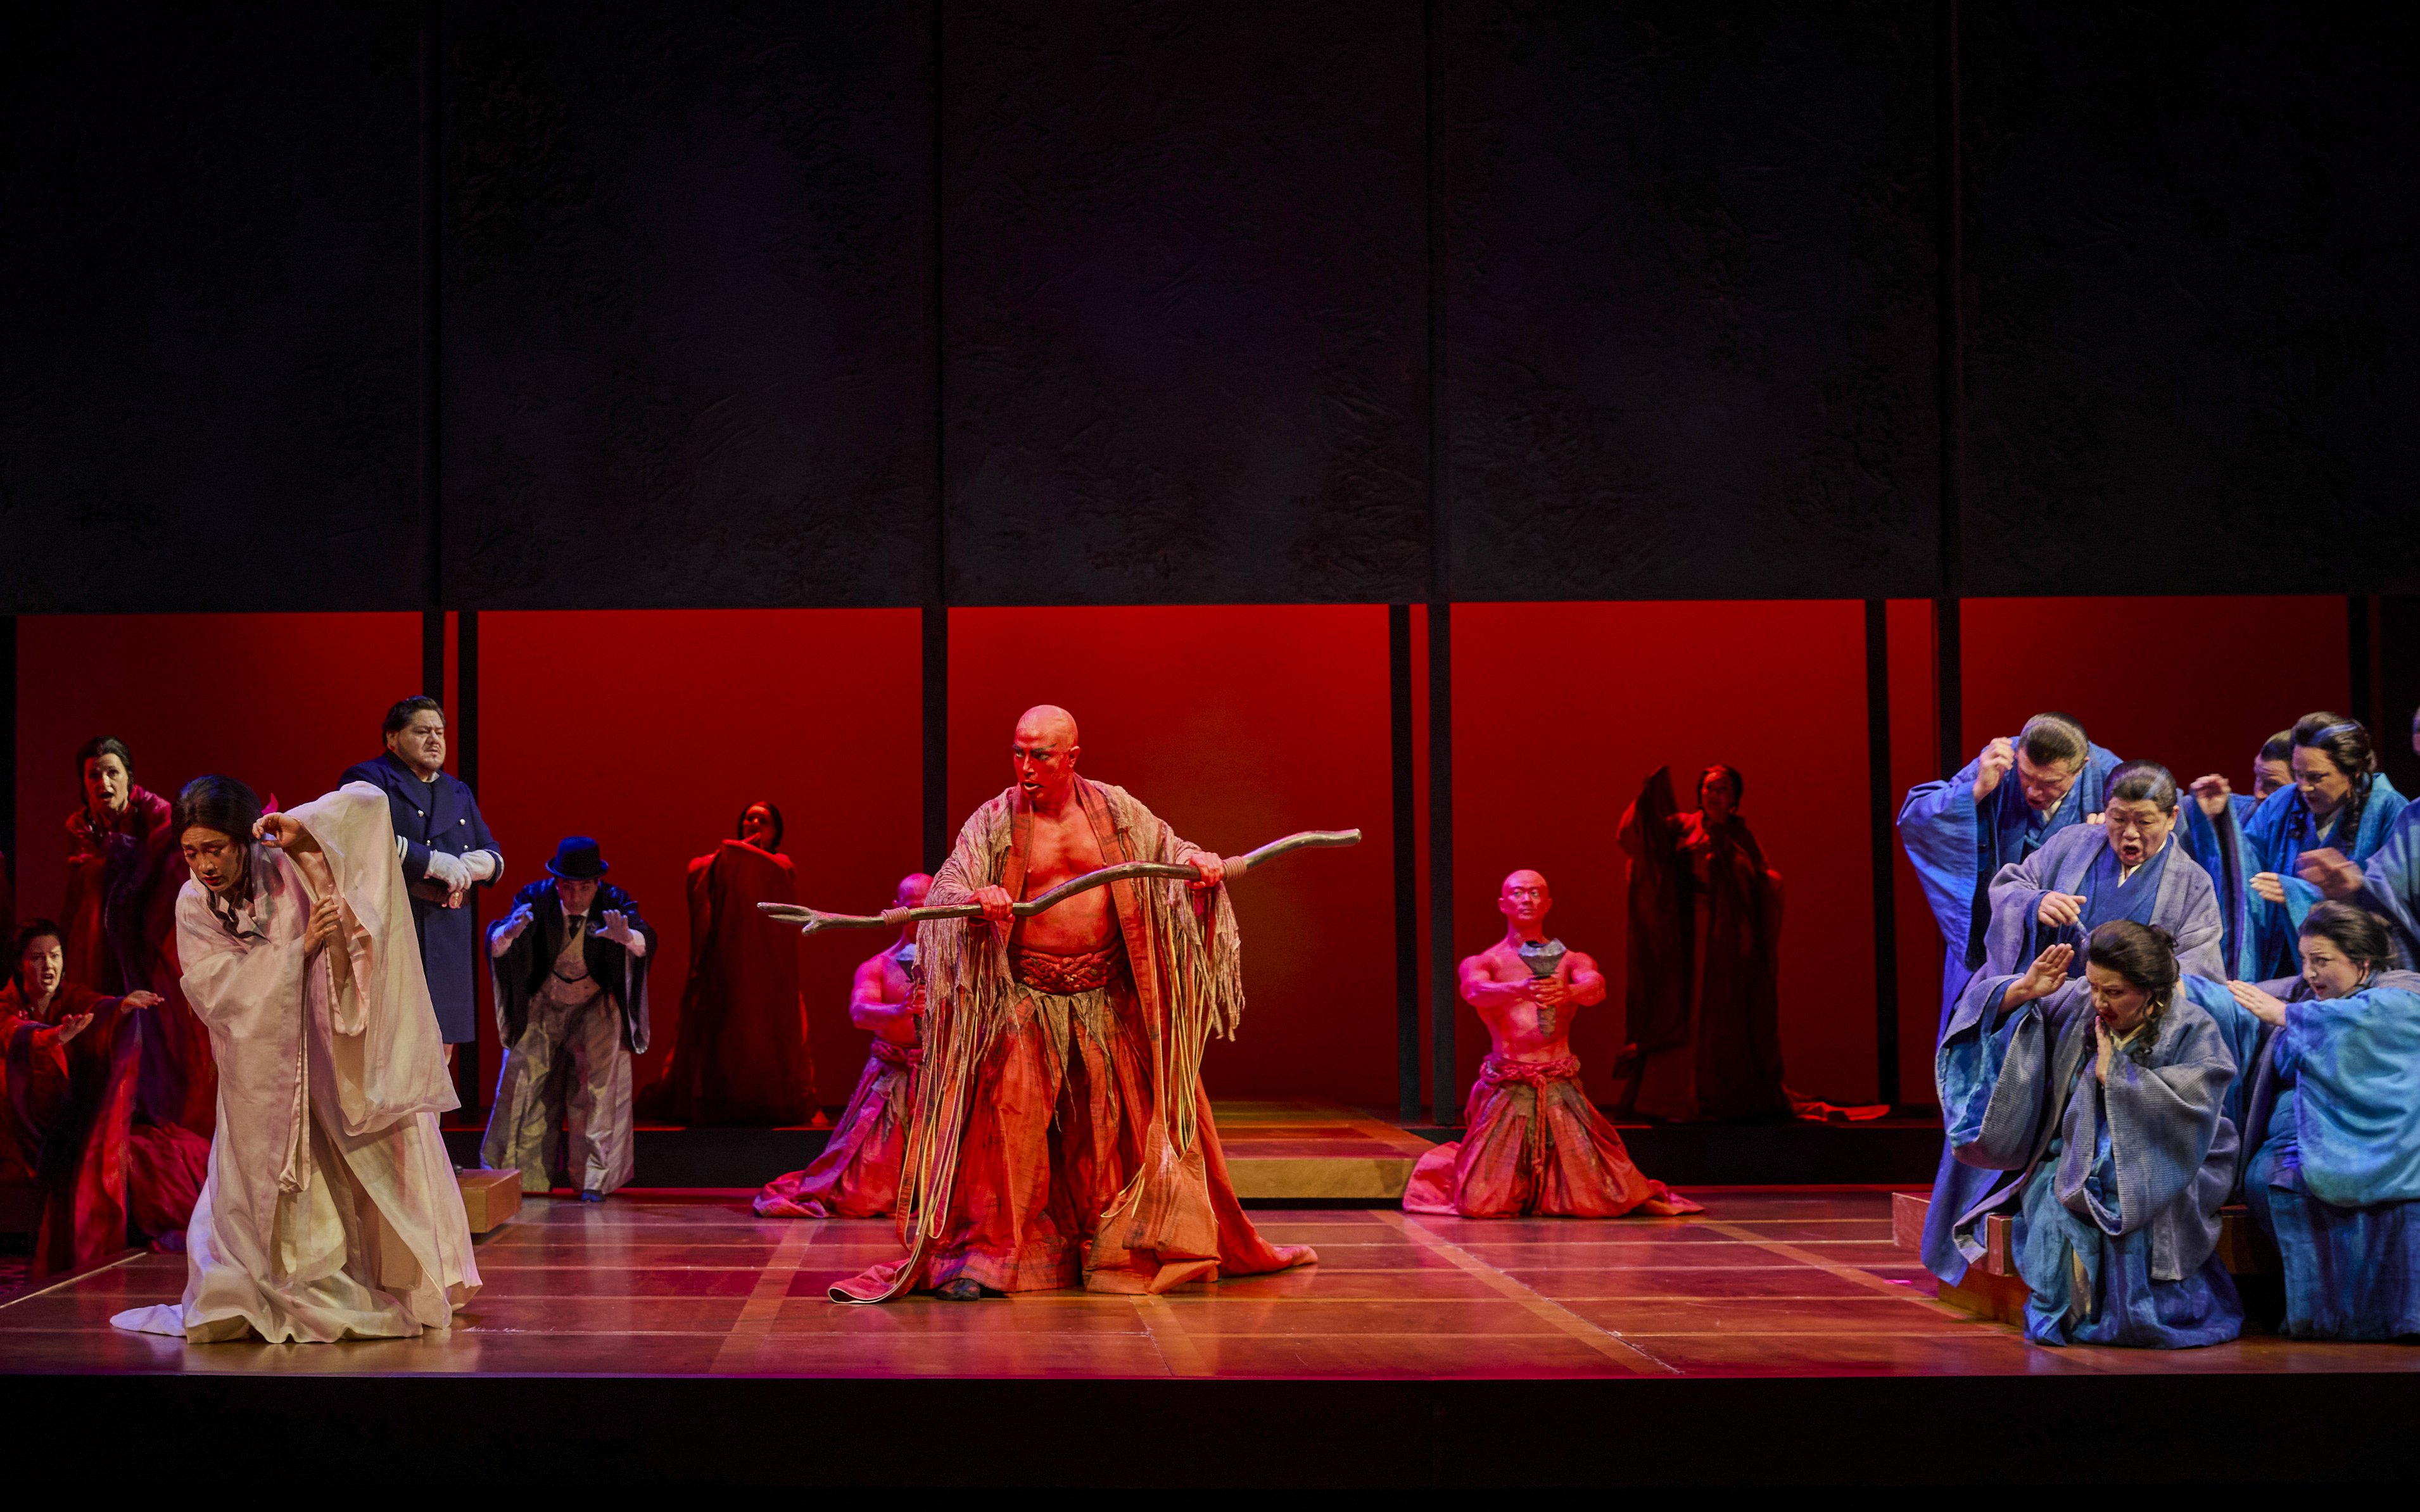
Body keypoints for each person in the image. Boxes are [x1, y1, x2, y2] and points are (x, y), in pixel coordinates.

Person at [830, 705, 1315, 1302]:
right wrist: (978, 897)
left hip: (1106, 997)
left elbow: (1173, 847)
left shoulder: (1116, 810)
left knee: (1120, 1129)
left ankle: (1120, 1247)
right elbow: (951, 883)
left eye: (1041, 755)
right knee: (1007, 1127)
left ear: (1071, 758)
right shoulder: (993, 821)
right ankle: (988, 1257)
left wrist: (1199, 864)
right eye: (1018, 752)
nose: (1026, 766)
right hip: (1026, 1000)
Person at [111, 777, 478, 1342]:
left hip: (329, 1046)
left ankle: (384, 1277)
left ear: (244, 839)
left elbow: (369, 805)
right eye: (191, 852)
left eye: (215, 849)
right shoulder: (193, 903)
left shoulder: (286, 865)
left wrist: (301, 827)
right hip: (259, 1065)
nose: (204, 865)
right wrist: (296, 950)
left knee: (376, 1151)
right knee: (270, 1175)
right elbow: (213, 990)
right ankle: (290, 1282)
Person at [1937, 923, 2243, 1348]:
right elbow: (1982, 1010)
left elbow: (2195, 1108)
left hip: (2171, 1157)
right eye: (2095, 986)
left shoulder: (2192, 1027)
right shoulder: (2083, 1002)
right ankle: (2076, 1311)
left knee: (2124, 1192)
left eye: (2113, 992)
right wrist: (2025, 989)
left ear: (2151, 990)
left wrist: (2116, 1077)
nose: (2098, 1001)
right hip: (2074, 1152)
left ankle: (2136, 1317)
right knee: (2060, 1202)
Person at [1403, 870, 1699, 1218]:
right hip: (1509, 1088)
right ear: (1503, 904)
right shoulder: (1486, 962)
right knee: (1482, 1204)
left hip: (1559, 1087)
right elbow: (1473, 990)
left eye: (1534, 893)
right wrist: (1518, 990)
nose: (1526, 900)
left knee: (1595, 1202)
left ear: (1548, 903)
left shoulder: (1572, 960)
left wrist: (1570, 991)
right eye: (1517, 893)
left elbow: (1596, 986)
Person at [2225, 903, 2420, 1339]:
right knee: (2273, 1180)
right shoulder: (2302, 992)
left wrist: (2286, 1017)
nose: (2309, 973)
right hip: (2294, 1135)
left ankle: (2386, 1318)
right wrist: (2181, 987)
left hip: (2372, 1133)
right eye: (2305, 960)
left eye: (2321, 961)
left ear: (2362, 964)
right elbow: (2235, 994)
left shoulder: (2398, 990)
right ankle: (2322, 1315)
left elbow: (2381, 1015)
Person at [0, 919, 199, 1275]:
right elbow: (16, 1036)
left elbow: (97, 1007)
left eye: (55, 956)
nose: (48, 967)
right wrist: (53, 1039)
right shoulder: (7, 1006)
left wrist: (122, 1006)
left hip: (68, 1112)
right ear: (20, 964)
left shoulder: (70, 996)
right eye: (37, 958)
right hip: (23, 1118)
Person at [1899, 713, 2122, 1028]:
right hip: (1996, 939)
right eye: (2027, 777)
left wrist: (2114, 834)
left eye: (2049, 784)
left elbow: (2162, 827)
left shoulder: (2107, 774)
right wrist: (1975, 790)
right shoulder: (2002, 761)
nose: (2032, 792)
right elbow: (1917, 817)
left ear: (2082, 766)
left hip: (2071, 951)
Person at [481, 837, 655, 1200]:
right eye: (568, 887)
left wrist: (629, 939)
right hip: (545, 999)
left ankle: (594, 1179)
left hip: (595, 1001)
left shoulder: (614, 902)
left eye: (584, 888)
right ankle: (518, 1177)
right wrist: (507, 937)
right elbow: (498, 937)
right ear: (557, 882)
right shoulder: (537, 898)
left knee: (597, 1090)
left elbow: (646, 937)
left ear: (597, 885)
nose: (574, 897)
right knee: (524, 1083)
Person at [1616, 764, 1789, 1121]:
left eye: (1723, 789)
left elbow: (1760, 883)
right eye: (1709, 788)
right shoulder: (1681, 826)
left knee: (1719, 1010)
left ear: (1735, 799)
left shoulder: (1742, 837)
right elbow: (1639, 842)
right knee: (1678, 1004)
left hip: (1724, 939)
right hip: (1683, 933)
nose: (1715, 795)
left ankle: (1715, 1095)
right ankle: (1667, 1098)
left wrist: (1757, 877)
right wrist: (1646, 801)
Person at [60, 736, 213, 1137]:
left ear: (129, 777)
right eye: (94, 775)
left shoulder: (160, 816)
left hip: (152, 945)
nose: (103, 782)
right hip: (104, 951)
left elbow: (173, 877)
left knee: (161, 1049)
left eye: (113, 772)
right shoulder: (83, 828)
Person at [756, 873, 930, 1220]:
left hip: (940, 1077)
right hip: (891, 1077)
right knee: (862, 1194)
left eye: (930, 908)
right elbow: (860, 1013)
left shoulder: (957, 963)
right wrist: (899, 1010)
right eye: (914, 908)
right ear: (897, 910)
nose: (922, 915)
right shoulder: (878, 966)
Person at [341, 696, 503, 1059]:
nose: (435, 740)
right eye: (422, 731)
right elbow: (357, 836)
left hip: (448, 929)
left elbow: (491, 847)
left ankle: (433, 1120)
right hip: (397, 922)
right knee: (395, 1048)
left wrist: (484, 864)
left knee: (440, 1049)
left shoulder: (457, 790)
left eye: (440, 732)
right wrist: (427, 860)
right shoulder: (367, 779)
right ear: (392, 738)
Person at [654, 801, 817, 1125]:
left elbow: (774, 877)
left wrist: (739, 853)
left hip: (765, 972)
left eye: (764, 819)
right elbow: (698, 869)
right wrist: (732, 856)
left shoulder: (781, 864)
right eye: (748, 817)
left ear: (776, 831)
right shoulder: (721, 861)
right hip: (726, 965)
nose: (754, 822)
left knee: (761, 1032)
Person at [2219, 714, 2407, 982]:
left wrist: (2299, 892)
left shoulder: (2391, 810)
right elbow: (2246, 866)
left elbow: (2396, 907)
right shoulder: (2285, 800)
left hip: (2356, 972)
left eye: (2317, 777)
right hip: (2281, 956)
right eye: (2298, 774)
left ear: (2353, 772)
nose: (2304, 787)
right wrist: (2216, 823)